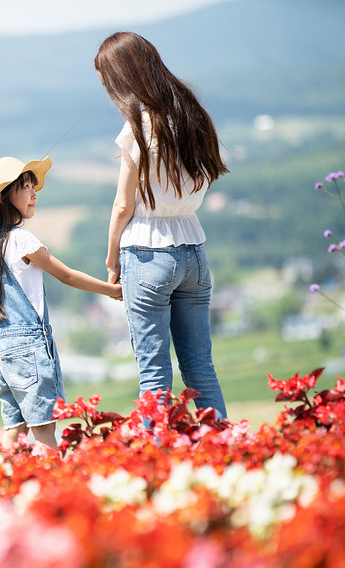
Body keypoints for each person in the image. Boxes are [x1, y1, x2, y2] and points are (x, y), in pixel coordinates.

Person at [95, 31, 229, 419]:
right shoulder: (191, 115)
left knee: (154, 374)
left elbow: (123, 205)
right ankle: (224, 447)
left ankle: (155, 458)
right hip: (194, 249)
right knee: (201, 368)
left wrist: (112, 259)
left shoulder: (137, 126)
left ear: (122, 77)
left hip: (146, 250)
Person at [0, 156, 122, 450]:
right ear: (4, 197)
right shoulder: (21, 240)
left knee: (14, 434)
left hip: (1, 349)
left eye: (32, 186)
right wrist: (111, 290)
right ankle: (51, 487)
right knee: (44, 433)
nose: (34, 193)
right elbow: (65, 275)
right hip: (29, 347)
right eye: (25, 187)